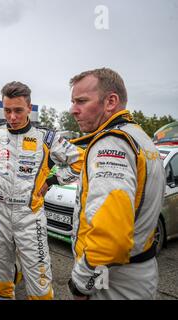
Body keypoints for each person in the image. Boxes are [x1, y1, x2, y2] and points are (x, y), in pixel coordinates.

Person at [0, 81, 84, 300]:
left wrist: (53, 179)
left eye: (18, 110)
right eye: (7, 110)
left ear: (29, 108)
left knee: (39, 277)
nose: (12, 117)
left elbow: (80, 161)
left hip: (30, 216)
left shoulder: (46, 137)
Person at [67, 68, 166, 300]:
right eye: (73, 102)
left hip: (113, 280)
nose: (73, 110)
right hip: (140, 273)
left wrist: (81, 284)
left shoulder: (110, 145)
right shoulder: (140, 137)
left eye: (81, 101)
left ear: (111, 101)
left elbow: (110, 239)